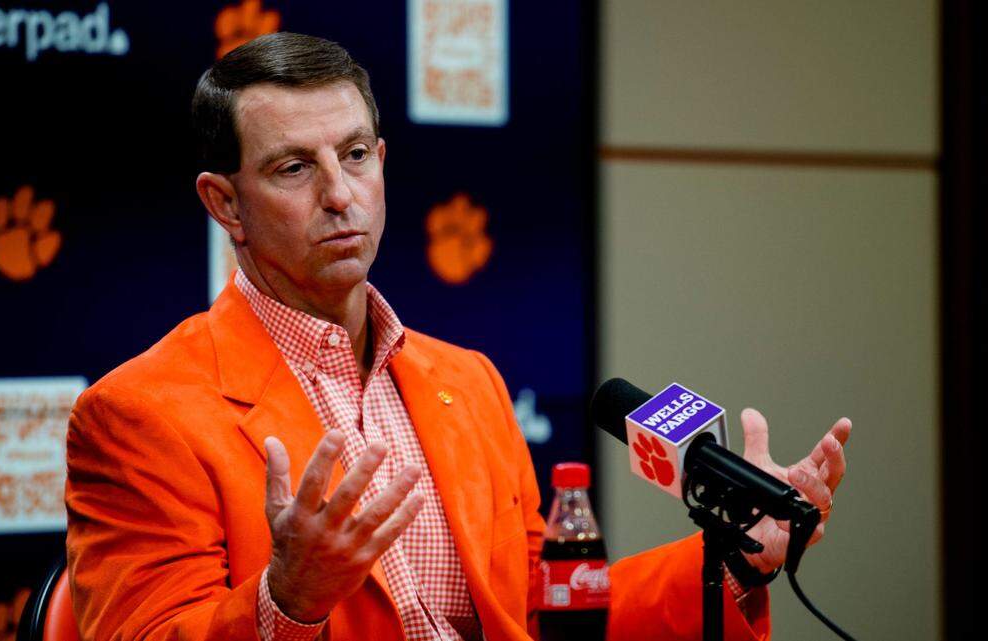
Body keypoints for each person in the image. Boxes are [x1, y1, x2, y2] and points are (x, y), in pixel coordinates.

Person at [64, 32, 850, 641]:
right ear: (225, 204)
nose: (340, 194)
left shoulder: (468, 381)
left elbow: (548, 607)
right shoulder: (139, 414)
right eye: (294, 169)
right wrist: (287, 600)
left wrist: (737, 555)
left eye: (355, 155)